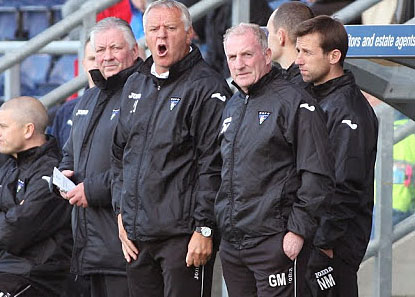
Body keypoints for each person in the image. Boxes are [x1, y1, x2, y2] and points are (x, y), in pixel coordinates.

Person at [111, 1, 232, 296]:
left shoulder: (208, 87)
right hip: (137, 237)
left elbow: (214, 166)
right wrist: (121, 215)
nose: (161, 36)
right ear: (146, 35)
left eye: (170, 28)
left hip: (183, 238)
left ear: (189, 32)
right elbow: (119, 156)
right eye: (154, 29)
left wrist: (204, 228)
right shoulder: (135, 83)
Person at [215, 23, 335, 297]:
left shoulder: (294, 102)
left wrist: (297, 231)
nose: (239, 64)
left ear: (267, 55)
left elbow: (318, 174)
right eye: (232, 58)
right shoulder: (233, 105)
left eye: (247, 55)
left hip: (276, 243)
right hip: (235, 246)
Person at [295, 15, 378, 297]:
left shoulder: (350, 111)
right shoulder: (308, 98)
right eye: (298, 51)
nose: (298, 60)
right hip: (305, 240)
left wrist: (322, 244)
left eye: (307, 52)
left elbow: (345, 185)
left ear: (334, 56)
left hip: (329, 249)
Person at [59, 17, 142, 297]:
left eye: (115, 48)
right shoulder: (88, 98)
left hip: (125, 244)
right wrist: (63, 175)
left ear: (135, 52)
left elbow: (140, 163)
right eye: (100, 51)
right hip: (88, 244)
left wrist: (91, 190)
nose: (107, 57)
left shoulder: (142, 95)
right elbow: (70, 153)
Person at [0, 96, 72, 297]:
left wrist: (10, 214)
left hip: (40, 275)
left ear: (28, 130)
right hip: (9, 268)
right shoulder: (10, 166)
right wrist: (12, 213)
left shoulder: (51, 170)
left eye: (3, 126)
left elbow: (17, 230)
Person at [50, 38, 96, 150]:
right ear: (84, 64)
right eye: (92, 59)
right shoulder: (66, 110)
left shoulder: (125, 104)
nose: (97, 64)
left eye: (101, 58)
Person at [267, 1, 314, 84]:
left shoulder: (290, 88)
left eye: (269, 33)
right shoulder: (316, 77)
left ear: (281, 36)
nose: (267, 39)